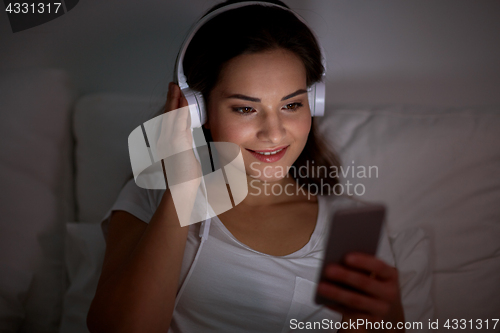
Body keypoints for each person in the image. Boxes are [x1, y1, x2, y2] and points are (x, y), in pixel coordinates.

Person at [87, 1, 421, 332]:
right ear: (197, 110)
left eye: (291, 104)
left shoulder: (349, 226)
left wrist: (388, 319)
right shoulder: (150, 198)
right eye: (245, 109)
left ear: (313, 103)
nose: (273, 133)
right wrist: (182, 189)